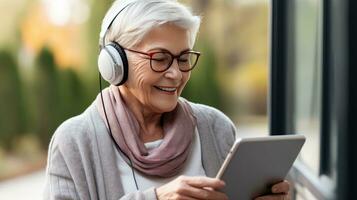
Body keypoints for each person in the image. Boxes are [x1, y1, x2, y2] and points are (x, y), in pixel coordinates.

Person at [44, 0, 291, 199]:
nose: (176, 74)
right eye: (160, 58)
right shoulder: (73, 142)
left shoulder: (216, 127)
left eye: (184, 58)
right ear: (115, 63)